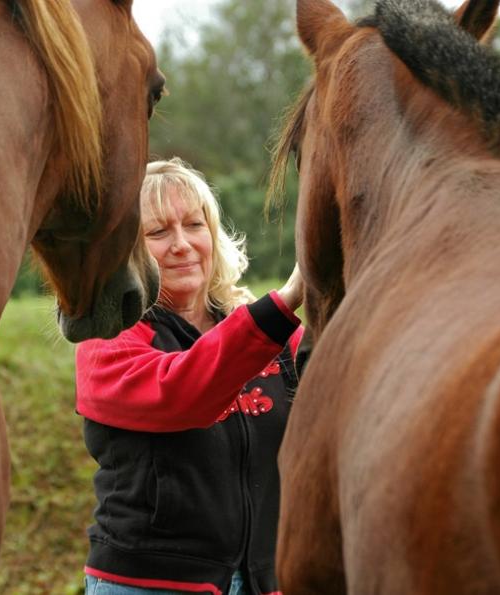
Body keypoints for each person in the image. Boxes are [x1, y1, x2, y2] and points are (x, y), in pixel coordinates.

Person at [76, 157, 304, 595]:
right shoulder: (107, 339)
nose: (181, 244)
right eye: (158, 233)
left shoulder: (264, 332)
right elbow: (182, 391)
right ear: (124, 250)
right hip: (148, 584)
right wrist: (290, 298)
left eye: (194, 225)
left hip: (264, 581)